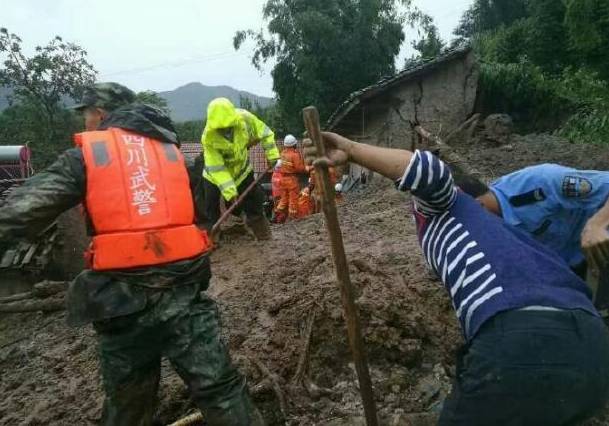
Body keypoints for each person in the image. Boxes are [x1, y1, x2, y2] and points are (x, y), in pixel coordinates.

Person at [0, 83, 261, 426]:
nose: (86, 123)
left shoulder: (88, 156)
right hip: (185, 293)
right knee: (222, 391)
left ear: (103, 114)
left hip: (123, 303)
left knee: (129, 408)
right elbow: (199, 213)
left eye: (87, 115)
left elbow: (22, 212)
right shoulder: (172, 155)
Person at [304, 132, 609, 426]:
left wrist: (352, 150)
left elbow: (429, 171)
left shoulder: (444, 206)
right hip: (594, 348)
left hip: (520, 337)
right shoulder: (514, 236)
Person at [477, 164, 609, 307]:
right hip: (572, 265)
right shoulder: (489, 234)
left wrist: (597, 224)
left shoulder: (539, 182)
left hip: (600, 239)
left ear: (478, 205)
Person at [201, 97, 279, 240]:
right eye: (221, 128)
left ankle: (263, 235)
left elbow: (266, 133)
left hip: (242, 171)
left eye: (228, 126)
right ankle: (212, 240)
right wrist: (230, 192)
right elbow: (217, 168)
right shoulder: (208, 137)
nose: (225, 130)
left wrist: (272, 155)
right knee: (210, 207)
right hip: (214, 176)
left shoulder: (245, 118)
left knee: (254, 202)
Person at [275, 134, 306, 220]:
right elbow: (299, 168)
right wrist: (306, 168)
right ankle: (292, 217)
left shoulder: (283, 153)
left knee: (284, 198)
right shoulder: (294, 155)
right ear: (294, 144)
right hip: (291, 180)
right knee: (293, 199)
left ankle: (277, 213)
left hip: (283, 179)